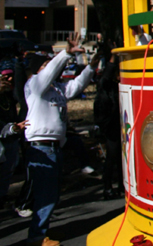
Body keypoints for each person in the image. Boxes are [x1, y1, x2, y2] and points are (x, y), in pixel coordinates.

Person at [24, 32, 94, 246]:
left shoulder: (56, 89)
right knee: (45, 193)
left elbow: (76, 86)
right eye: (46, 64)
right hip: (41, 147)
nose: (51, 68)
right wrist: (65, 54)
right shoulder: (35, 85)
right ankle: (37, 237)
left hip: (54, 146)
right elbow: (47, 74)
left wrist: (92, 66)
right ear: (38, 69)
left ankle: (42, 231)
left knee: (51, 193)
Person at [94, 51, 122, 200]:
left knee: (120, 158)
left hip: (118, 125)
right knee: (111, 157)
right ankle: (107, 187)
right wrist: (113, 58)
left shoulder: (118, 86)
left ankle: (121, 185)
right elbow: (105, 77)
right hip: (111, 126)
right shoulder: (106, 87)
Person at [1, 58, 27, 204]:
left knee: (8, 171)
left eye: (11, 76)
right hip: (2, 138)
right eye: (5, 76)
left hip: (11, 137)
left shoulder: (9, 95)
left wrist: (18, 66)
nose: (9, 79)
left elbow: (20, 95)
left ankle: (2, 196)